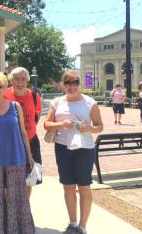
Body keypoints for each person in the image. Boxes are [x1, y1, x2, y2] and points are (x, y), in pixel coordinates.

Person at [44, 70, 103, 234]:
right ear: (63, 85)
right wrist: (61, 124)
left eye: (75, 82)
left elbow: (100, 126)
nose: (72, 86)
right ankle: (72, 223)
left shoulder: (90, 102)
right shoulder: (56, 102)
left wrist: (89, 128)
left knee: (84, 187)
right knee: (68, 186)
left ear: (80, 83)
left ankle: (82, 227)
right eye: (68, 83)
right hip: (63, 147)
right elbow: (47, 124)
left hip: (84, 148)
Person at [0, 71, 35, 234]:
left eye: (0, 86)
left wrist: (29, 156)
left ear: (5, 87)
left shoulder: (15, 106)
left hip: (16, 157)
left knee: (18, 197)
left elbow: (23, 132)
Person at [5, 67, 42, 198]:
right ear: (11, 80)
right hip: (10, 143)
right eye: (16, 79)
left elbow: (36, 116)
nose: (20, 82)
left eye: (23, 79)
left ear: (27, 80)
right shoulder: (5, 95)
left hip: (31, 141)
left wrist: (28, 129)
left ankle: (24, 211)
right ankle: (10, 211)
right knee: (9, 180)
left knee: (29, 179)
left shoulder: (34, 95)